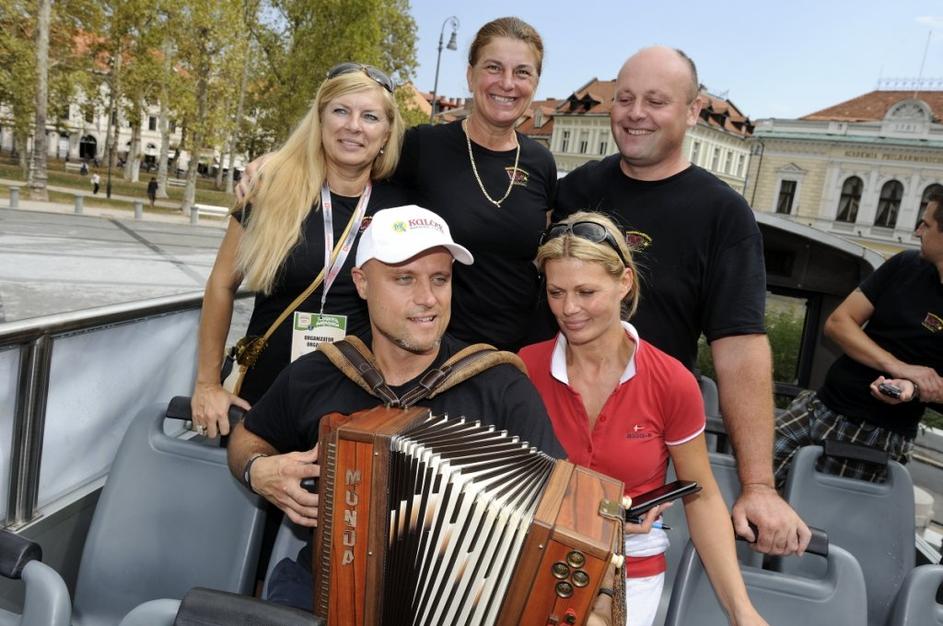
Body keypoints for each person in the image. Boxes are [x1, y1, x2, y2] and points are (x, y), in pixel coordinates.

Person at [227, 205, 565, 609]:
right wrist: (256, 468)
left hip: (459, 606)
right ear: (362, 282)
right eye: (404, 279)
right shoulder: (317, 373)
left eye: (440, 279)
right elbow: (248, 435)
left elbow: (560, 511)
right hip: (325, 592)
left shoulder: (501, 386)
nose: (428, 299)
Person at [553, 46, 809, 556]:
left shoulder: (723, 215)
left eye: (656, 101)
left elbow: (739, 348)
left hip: (639, 447)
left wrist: (758, 486)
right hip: (553, 427)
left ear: (692, 111)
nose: (635, 113)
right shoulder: (576, 190)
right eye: (624, 98)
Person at [237, 17, 557, 352]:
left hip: (516, 353)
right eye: (493, 67)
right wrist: (276, 162)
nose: (507, 83)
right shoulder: (420, 147)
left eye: (522, 72)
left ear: (535, 83)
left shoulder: (540, 162)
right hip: (431, 353)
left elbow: (539, 257)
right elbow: (351, 145)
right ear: (470, 75)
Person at [519, 212, 767, 626]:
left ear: (624, 283)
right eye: (556, 292)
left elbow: (701, 496)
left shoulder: (672, 382)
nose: (569, 308)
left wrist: (742, 611)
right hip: (539, 556)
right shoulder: (525, 368)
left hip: (630, 568)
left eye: (586, 291)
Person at [190, 64, 409, 438]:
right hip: (262, 396)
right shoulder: (271, 190)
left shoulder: (401, 210)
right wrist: (207, 384)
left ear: (387, 132)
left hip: (356, 405)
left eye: (370, 116)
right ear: (320, 119)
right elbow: (221, 285)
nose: (353, 126)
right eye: (340, 110)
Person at [774, 192, 943, 487]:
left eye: (926, 225)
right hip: (821, 405)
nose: (917, 231)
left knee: (808, 517)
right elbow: (839, 323)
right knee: (749, 475)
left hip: (873, 436)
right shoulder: (905, 266)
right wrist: (900, 368)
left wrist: (914, 388)